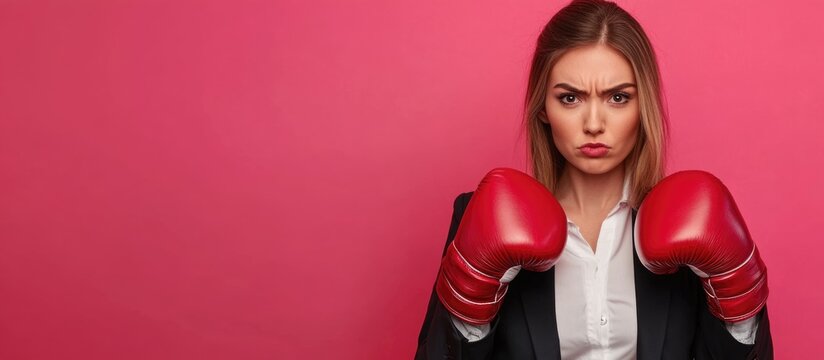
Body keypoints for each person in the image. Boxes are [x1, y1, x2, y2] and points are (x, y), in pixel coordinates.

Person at [414, 0, 774, 359]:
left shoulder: (691, 221)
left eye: (618, 97)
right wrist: (470, 310)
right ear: (543, 107)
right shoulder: (487, 215)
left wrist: (739, 309)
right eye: (570, 98)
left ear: (642, 105)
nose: (593, 124)